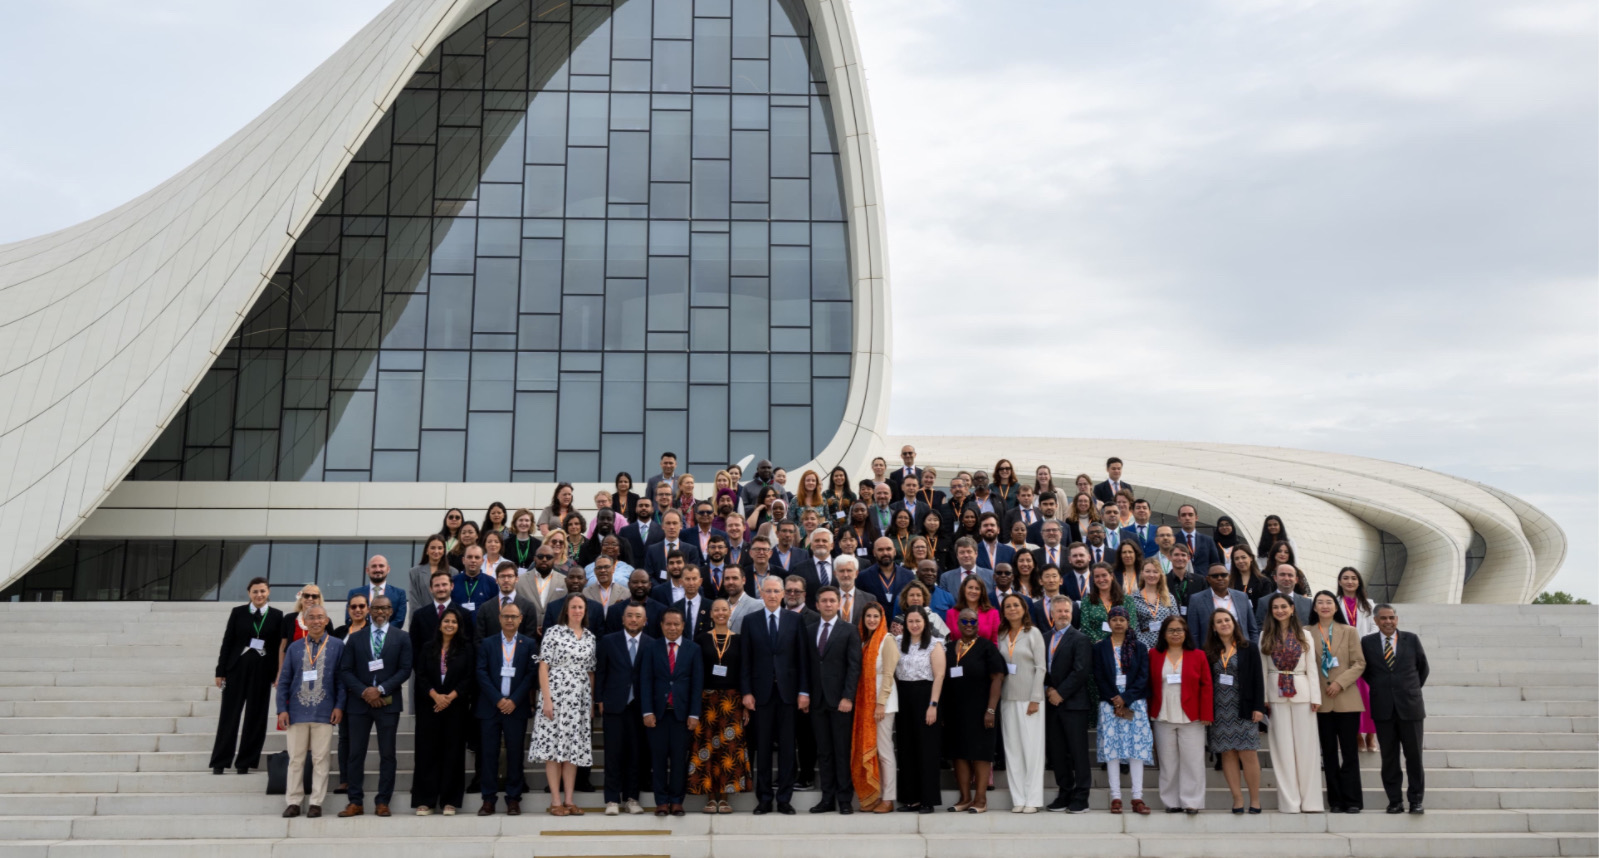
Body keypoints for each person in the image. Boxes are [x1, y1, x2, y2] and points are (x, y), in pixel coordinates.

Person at [337, 595, 412, 817]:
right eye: (376, 608)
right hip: (359, 704)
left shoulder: (402, 638)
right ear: (370, 610)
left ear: (391, 611)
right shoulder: (355, 638)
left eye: (385, 608)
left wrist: (379, 690)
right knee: (355, 754)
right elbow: (345, 670)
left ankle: (383, 801)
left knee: (387, 753)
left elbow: (405, 669)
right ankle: (355, 801)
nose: (380, 612)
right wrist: (364, 691)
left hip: (388, 704)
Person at [741, 576, 811, 815]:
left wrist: (804, 691)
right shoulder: (750, 621)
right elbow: (745, 661)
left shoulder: (795, 620)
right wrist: (747, 692)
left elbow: (802, 658)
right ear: (761, 593)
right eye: (768, 591)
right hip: (760, 696)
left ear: (783, 594)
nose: (772, 595)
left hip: (789, 694)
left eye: (776, 591)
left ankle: (784, 799)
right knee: (761, 748)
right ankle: (763, 799)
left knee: (788, 749)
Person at [530, 594, 598, 817]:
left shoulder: (590, 637)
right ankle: (555, 801)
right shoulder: (553, 632)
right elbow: (543, 667)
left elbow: (590, 672)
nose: (577, 610)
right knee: (553, 749)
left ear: (585, 611)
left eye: (581, 607)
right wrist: (546, 700)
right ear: (566, 610)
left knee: (573, 750)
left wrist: (589, 704)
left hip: (579, 700)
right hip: (556, 696)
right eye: (574, 607)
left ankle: (569, 800)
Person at [274, 604, 344, 818]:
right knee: (296, 759)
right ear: (304, 621)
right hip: (296, 712)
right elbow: (284, 680)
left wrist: (339, 706)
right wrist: (281, 709)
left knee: (321, 759)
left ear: (326, 620)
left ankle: (316, 802)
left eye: (319, 617)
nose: (315, 621)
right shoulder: (295, 647)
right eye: (311, 617)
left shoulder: (338, 645)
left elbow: (342, 681)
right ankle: (294, 801)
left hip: (324, 712)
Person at [210, 577, 283, 776]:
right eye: (255, 592)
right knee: (229, 715)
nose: (259, 595)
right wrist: (220, 671)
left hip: (262, 670)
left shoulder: (277, 615)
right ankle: (220, 761)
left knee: (256, 716)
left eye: (262, 591)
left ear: (268, 592)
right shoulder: (238, 612)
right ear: (249, 594)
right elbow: (227, 642)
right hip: (237, 667)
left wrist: (277, 673)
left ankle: (246, 761)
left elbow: (278, 647)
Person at [1361, 604, 1429, 814]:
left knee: (1414, 756)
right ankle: (1395, 801)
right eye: (1383, 618)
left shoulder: (1411, 639)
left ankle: (1416, 800)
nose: (1388, 622)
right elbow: (1366, 672)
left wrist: (1408, 689)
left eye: (1391, 617)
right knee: (1389, 757)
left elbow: (1422, 668)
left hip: (1410, 707)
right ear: (1375, 620)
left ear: (1397, 619)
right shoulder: (1367, 642)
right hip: (1383, 709)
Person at [1260, 592, 1323, 813]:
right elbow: (1262, 670)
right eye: (1275, 607)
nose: (1279, 611)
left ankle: (1311, 802)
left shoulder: (1305, 635)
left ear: (1292, 608)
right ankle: (1289, 803)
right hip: (1275, 692)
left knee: (1307, 749)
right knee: (1282, 749)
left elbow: (1312, 668)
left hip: (1302, 693)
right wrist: (1264, 698)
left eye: (1283, 606)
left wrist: (1316, 696)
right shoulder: (1264, 635)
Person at [411, 603, 473, 816]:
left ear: (459, 626)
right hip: (430, 706)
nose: (449, 624)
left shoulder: (466, 648)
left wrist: (451, 696)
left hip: (456, 708)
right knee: (427, 752)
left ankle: (450, 801)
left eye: (454, 622)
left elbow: (468, 677)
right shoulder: (428, 647)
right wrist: (436, 695)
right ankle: (425, 801)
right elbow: (420, 675)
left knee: (453, 753)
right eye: (446, 621)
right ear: (439, 625)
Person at [941, 608, 1005, 813]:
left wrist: (991, 710)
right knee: (959, 754)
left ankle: (980, 799)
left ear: (978, 625)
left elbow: (998, 677)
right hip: (955, 711)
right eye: (964, 621)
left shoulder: (986, 647)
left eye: (973, 621)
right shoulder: (949, 648)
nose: (969, 624)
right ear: (957, 625)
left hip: (981, 710)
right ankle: (965, 798)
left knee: (980, 754)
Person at [689, 598, 750, 812]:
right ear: (711, 613)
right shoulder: (700, 640)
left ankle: (724, 798)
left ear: (730, 613)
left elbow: (744, 672)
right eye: (717, 610)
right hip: (706, 700)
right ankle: (710, 798)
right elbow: (695, 673)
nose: (721, 613)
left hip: (732, 701)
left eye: (724, 609)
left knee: (729, 750)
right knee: (707, 748)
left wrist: (745, 702)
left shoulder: (740, 640)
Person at [805, 587, 862, 814]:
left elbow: (854, 666)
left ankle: (845, 799)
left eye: (832, 601)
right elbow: (807, 665)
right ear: (817, 605)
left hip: (841, 702)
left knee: (841, 750)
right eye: (824, 601)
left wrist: (848, 696)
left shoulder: (849, 631)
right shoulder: (809, 630)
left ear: (839, 604)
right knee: (824, 752)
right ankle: (827, 799)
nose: (828, 604)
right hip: (817, 701)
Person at [1309, 590, 1367, 813]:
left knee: (1349, 752)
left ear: (1335, 607)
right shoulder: (1306, 632)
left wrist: (1340, 683)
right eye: (1320, 602)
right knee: (1329, 753)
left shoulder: (1349, 631)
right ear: (1314, 608)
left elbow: (1359, 663)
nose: (1324, 606)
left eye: (1329, 602)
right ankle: (1335, 801)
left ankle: (1353, 801)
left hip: (1346, 699)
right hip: (1320, 701)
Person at [641, 610, 703, 817]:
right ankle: (661, 801)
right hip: (657, 715)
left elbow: (696, 684)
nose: (672, 628)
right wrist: (647, 711)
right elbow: (646, 681)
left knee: (678, 760)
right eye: (668, 624)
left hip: (682, 715)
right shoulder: (651, 648)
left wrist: (694, 714)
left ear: (683, 626)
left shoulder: (693, 649)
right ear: (661, 625)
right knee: (658, 760)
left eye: (676, 624)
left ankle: (676, 801)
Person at [1149, 615, 1213, 814]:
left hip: (1192, 715)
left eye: (1179, 630)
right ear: (1163, 634)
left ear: (1186, 633)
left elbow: (1207, 686)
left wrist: (1206, 713)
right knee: (1168, 762)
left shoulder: (1198, 655)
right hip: (1163, 714)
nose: (1175, 634)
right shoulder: (1153, 654)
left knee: (1192, 761)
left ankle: (1192, 802)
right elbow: (1148, 685)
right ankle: (1171, 801)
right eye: (1171, 630)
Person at [1092, 606, 1152, 815]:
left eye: (1122, 619)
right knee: (1113, 751)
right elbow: (1098, 676)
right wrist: (1114, 699)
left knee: (1136, 750)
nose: (1118, 622)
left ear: (1128, 623)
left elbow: (1143, 677)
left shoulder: (1139, 647)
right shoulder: (1100, 648)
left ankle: (1137, 797)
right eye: (1114, 619)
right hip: (1109, 705)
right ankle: (1115, 796)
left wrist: (1126, 698)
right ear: (1109, 623)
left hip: (1134, 703)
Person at [1205, 608, 1266, 814]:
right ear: (1213, 627)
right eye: (1219, 621)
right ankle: (1237, 798)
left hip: (1244, 707)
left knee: (1248, 754)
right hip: (1219, 710)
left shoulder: (1248, 648)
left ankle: (1255, 799)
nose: (1224, 624)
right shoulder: (1209, 651)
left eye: (1227, 620)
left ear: (1234, 623)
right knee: (1228, 754)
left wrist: (1258, 707)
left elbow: (1258, 679)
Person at [595, 603, 651, 816]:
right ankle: (611, 799)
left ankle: (631, 798)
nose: (633, 619)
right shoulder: (609, 641)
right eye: (629, 616)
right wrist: (599, 699)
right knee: (613, 754)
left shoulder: (651, 644)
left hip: (640, 707)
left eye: (638, 616)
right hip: (614, 705)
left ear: (645, 620)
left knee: (636, 754)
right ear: (622, 619)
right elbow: (601, 672)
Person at [996, 594, 1048, 813]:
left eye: (1016, 605)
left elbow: (1041, 667)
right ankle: (1018, 798)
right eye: (1007, 606)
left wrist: (1036, 698)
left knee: (1032, 749)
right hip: (1008, 698)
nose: (1012, 609)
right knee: (1013, 749)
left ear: (1023, 608)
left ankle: (1033, 799)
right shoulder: (1001, 634)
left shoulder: (1033, 633)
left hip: (1029, 699)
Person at [1042, 597, 1092, 813]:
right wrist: (1047, 690)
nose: (1063, 614)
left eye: (1066, 611)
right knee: (1057, 752)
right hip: (1051, 704)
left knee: (1078, 752)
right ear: (1051, 614)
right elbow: (1038, 667)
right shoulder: (1043, 638)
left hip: (1073, 705)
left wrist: (1060, 693)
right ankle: (1064, 792)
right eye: (1059, 611)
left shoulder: (1080, 638)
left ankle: (1081, 796)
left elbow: (1081, 671)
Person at [848, 602, 899, 813]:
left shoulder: (887, 640)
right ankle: (874, 796)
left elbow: (888, 674)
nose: (871, 620)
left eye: (875, 617)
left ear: (882, 618)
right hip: (865, 702)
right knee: (873, 749)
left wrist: (880, 703)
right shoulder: (863, 641)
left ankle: (889, 798)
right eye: (868, 616)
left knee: (885, 750)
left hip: (882, 703)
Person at [1336, 566, 1381, 752]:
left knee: (1370, 698)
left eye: (1353, 578)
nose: (1349, 581)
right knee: (1352, 697)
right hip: (1344, 657)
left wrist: (1359, 644)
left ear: (1359, 581)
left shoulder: (1369, 604)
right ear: (1340, 582)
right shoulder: (1335, 603)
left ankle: (1371, 736)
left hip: (1366, 655)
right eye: (1345, 578)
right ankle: (1357, 736)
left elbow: (1375, 628)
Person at [1188, 564, 1258, 647]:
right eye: (1215, 576)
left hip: (1241, 648)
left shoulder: (1242, 597)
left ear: (1229, 576)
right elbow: (1194, 634)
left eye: (1223, 575)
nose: (1220, 578)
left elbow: (1252, 629)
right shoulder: (1196, 600)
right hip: (1211, 651)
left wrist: (1253, 649)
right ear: (1208, 579)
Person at [477, 561, 539, 639]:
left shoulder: (528, 607)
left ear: (516, 579)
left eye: (510, 576)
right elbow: (479, 639)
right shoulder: (485, 608)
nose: (506, 580)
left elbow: (530, 638)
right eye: (502, 576)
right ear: (496, 580)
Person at [277, 585, 325, 684]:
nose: (310, 599)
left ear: (319, 599)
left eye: (314, 596)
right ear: (301, 598)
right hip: (293, 668)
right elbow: (283, 647)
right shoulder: (289, 619)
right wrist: (280, 672)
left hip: (318, 670)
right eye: (306, 595)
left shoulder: (325, 621)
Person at [348, 555, 405, 629]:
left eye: (381, 566)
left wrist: (381, 633)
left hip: (389, 638)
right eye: (374, 566)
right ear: (367, 570)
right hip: (361, 637)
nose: (377, 569)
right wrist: (368, 633)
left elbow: (399, 621)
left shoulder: (399, 594)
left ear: (388, 569)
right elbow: (349, 619)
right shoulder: (354, 593)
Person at [1131, 558, 1176, 649]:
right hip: (1144, 646)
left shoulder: (1169, 597)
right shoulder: (1133, 599)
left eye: (1155, 572)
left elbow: (1176, 621)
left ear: (1160, 575)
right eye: (1148, 571)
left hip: (1168, 645)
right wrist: (1147, 649)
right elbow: (1134, 628)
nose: (1151, 575)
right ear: (1142, 573)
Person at [1254, 563, 1313, 627]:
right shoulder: (1264, 602)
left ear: (1296, 580)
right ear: (1275, 578)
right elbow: (1259, 628)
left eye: (1290, 575)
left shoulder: (1307, 603)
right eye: (1282, 575)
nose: (1286, 578)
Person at [945, 575, 1000, 644]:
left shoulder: (993, 613)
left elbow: (995, 642)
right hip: (959, 653)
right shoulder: (951, 613)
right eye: (970, 588)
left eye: (977, 588)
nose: (973, 591)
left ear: (982, 592)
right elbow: (951, 641)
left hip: (985, 654)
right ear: (964, 589)